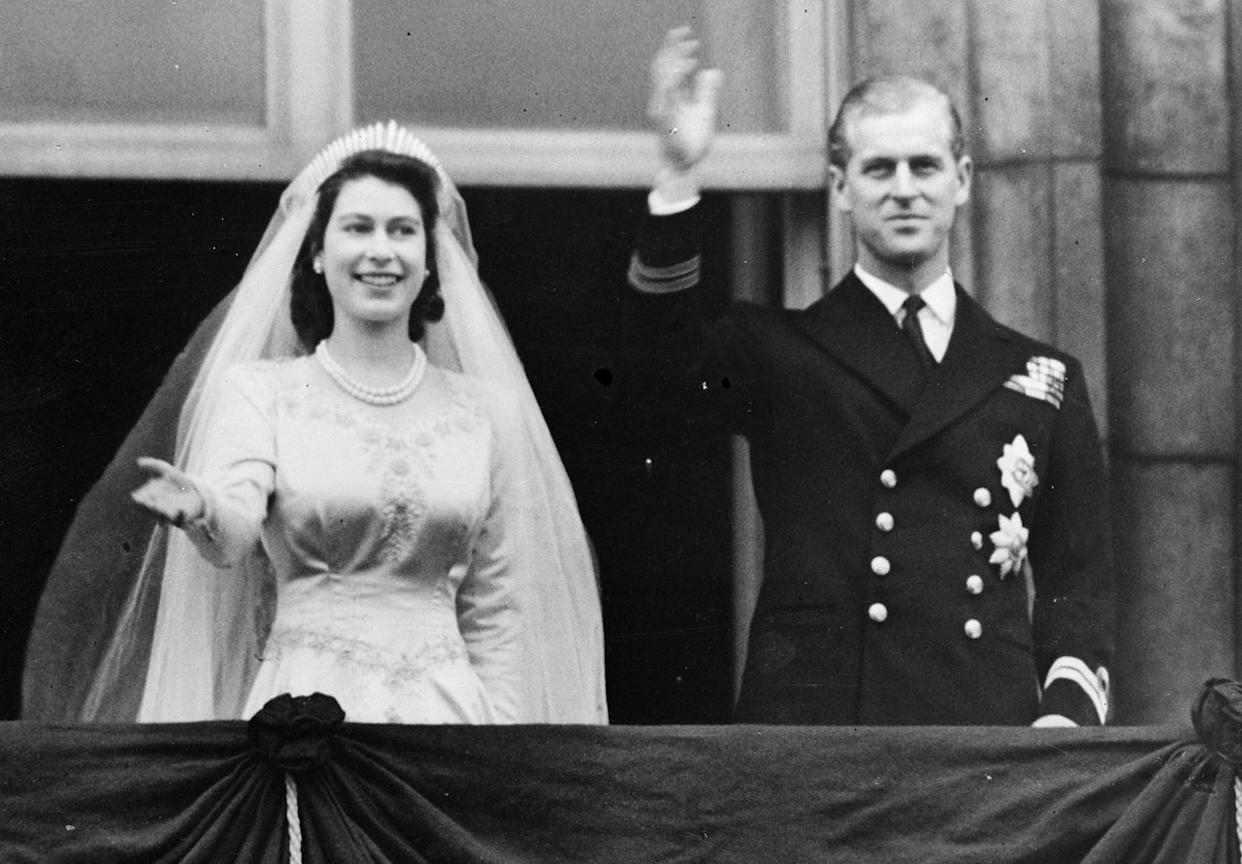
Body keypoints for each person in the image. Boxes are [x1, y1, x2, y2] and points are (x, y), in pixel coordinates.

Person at [24, 123, 607, 725]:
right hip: (308, 719)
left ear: (429, 262)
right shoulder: (262, 392)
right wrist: (201, 508)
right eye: (358, 228)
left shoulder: (489, 412)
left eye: (402, 231)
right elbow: (235, 529)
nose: (381, 250)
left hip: (451, 724)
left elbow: (499, 605)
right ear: (319, 253)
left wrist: (501, 757)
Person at [625, 28, 1113, 726]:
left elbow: (1080, 580)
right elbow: (656, 378)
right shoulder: (781, 350)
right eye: (880, 170)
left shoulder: (1041, 375)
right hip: (822, 733)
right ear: (840, 187)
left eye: (925, 166)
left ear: (963, 180)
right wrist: (677, 175)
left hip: (985, 736)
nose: (905, 191)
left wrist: (1064, 715)